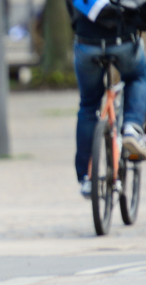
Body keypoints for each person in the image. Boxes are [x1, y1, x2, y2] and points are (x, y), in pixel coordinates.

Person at [66, 0, 146, 198]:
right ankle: (131, 128)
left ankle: (86, 178)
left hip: (86, 43)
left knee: (88, 104)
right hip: (123, 41)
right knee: (138, 77)